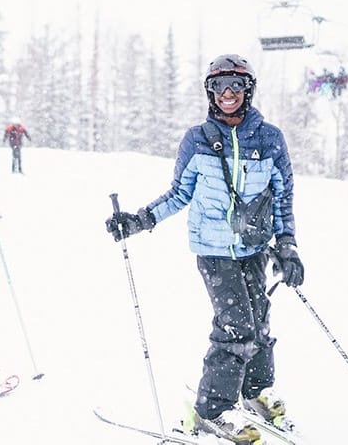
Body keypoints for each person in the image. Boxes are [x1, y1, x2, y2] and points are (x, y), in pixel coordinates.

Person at [104, 54, 305, 444]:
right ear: (209, 92)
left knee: (260, 318)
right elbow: (179, 194)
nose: (227, 93)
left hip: (253, 247)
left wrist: (288, 246)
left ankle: (255, 389)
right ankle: (213, 409)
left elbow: (282, 197)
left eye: (236, 85)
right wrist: (139, 220)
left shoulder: (269, 139)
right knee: (236, 326)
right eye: (218, 86)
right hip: (213, 250)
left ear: (248, 90)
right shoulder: (197, 140)